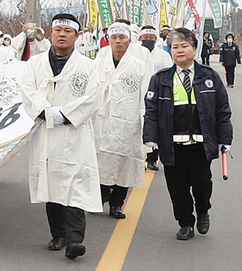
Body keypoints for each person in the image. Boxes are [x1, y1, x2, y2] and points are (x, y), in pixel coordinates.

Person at [19, 12, 101, 259]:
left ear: (76, 36)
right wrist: (45, 112)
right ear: (52, 33)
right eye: (58, 31)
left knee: (75, 184)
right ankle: (58, 234)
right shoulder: (35, 64)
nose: (62, 35)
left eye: (68, 31)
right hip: (46, 131)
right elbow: (27, 90)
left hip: (74, 132)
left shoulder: (88, 66)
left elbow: (93, 98)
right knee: (50, 182)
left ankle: (75, 239)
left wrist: (64, 115)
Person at [143, 27, 233, 241]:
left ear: (194, 48)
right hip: (172, 143)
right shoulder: (160, 79)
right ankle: (185, 222)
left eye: (184, 46)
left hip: (201, 143)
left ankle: (203, 210)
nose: (180, 50)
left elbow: (222, 110)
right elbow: (152, 111)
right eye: (175, 47)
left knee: (202, 182)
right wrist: (151, 138)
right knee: (177, 186)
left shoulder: (209, 77)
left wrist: (225, 140)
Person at [93, 20, 147, 219]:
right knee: (102, 161)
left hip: (127, 121)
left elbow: (144, 96)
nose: (118, 41)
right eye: (114, 37)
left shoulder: (139, 66)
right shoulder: (98, 63)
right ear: (108, 39)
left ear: (129, 40)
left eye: (122, 37)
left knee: (125, 163)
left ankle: (117, 203)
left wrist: (144, 121)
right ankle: (102, 193)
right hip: (102, 121)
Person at [137, 25, 173, 170]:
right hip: (139, 96)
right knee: (139, 127)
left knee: (157, 126)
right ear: (140, 38)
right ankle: (140, 159)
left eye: (151, 38)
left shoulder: (163, 55)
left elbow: (169, 73)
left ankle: (153, 159)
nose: (149, 40)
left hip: (158, 95)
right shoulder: (135, 55)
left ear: (156, 39)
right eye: (146, 38)